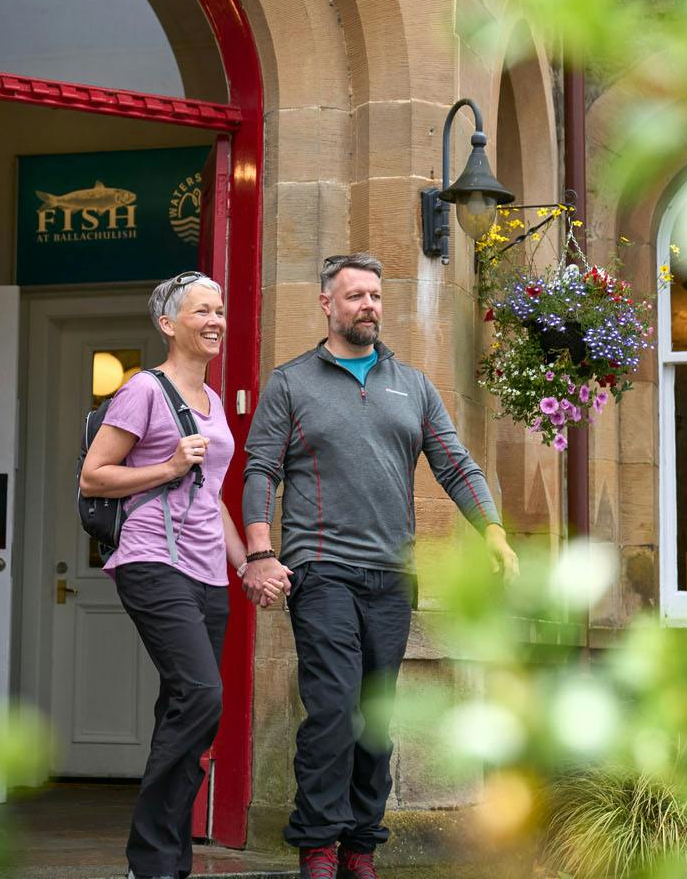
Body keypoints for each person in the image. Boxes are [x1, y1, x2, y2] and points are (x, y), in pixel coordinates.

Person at [239, 252, 519, 879]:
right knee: (336, 708)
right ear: (326, 304)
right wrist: (260, 552)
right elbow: (262, 470)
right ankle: (317, 846)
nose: (368, 305)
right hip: (322, 567)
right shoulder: (291, 383)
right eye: (355, 295)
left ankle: (361, 845)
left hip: (391, 577)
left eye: (375, 295)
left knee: (377, 718)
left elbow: (455, 463)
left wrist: (494, 533)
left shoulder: (412, 385)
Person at [80, 271, 292, 879]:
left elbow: (212, 497)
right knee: (201, 692)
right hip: (151, 560)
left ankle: (165, 863)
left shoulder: (215, 403)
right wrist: (168, 464)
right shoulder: (143, 390)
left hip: (206, 570)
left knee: (189, 707)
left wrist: (250, 563)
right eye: (202, 311)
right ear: (169, 324)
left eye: (220, 310)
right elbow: (95, 476)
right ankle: (150, 858)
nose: (216, 321)